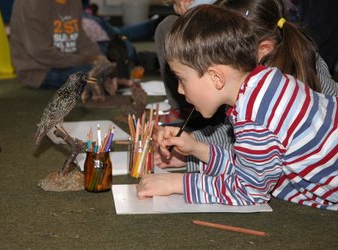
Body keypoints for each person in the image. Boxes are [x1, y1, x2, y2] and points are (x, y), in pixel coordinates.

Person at [137, 4, 338, 210]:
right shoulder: (265, 85)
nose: (180, 90)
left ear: (216, 77)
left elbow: (249, 190)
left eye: (182, 80)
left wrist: (177, 184)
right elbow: (248, 168)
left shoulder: (255, 115)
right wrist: (197, 149)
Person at [10, 0, 105, 89]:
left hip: (68, 60)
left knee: (109, 56)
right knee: (94, 75)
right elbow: (40, 51)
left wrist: (100, 57)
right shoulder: (31, 4)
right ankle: (104, 81)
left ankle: (108, 78)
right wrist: (84, 59)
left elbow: (80, 37)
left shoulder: (75, 2)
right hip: (40, 70)